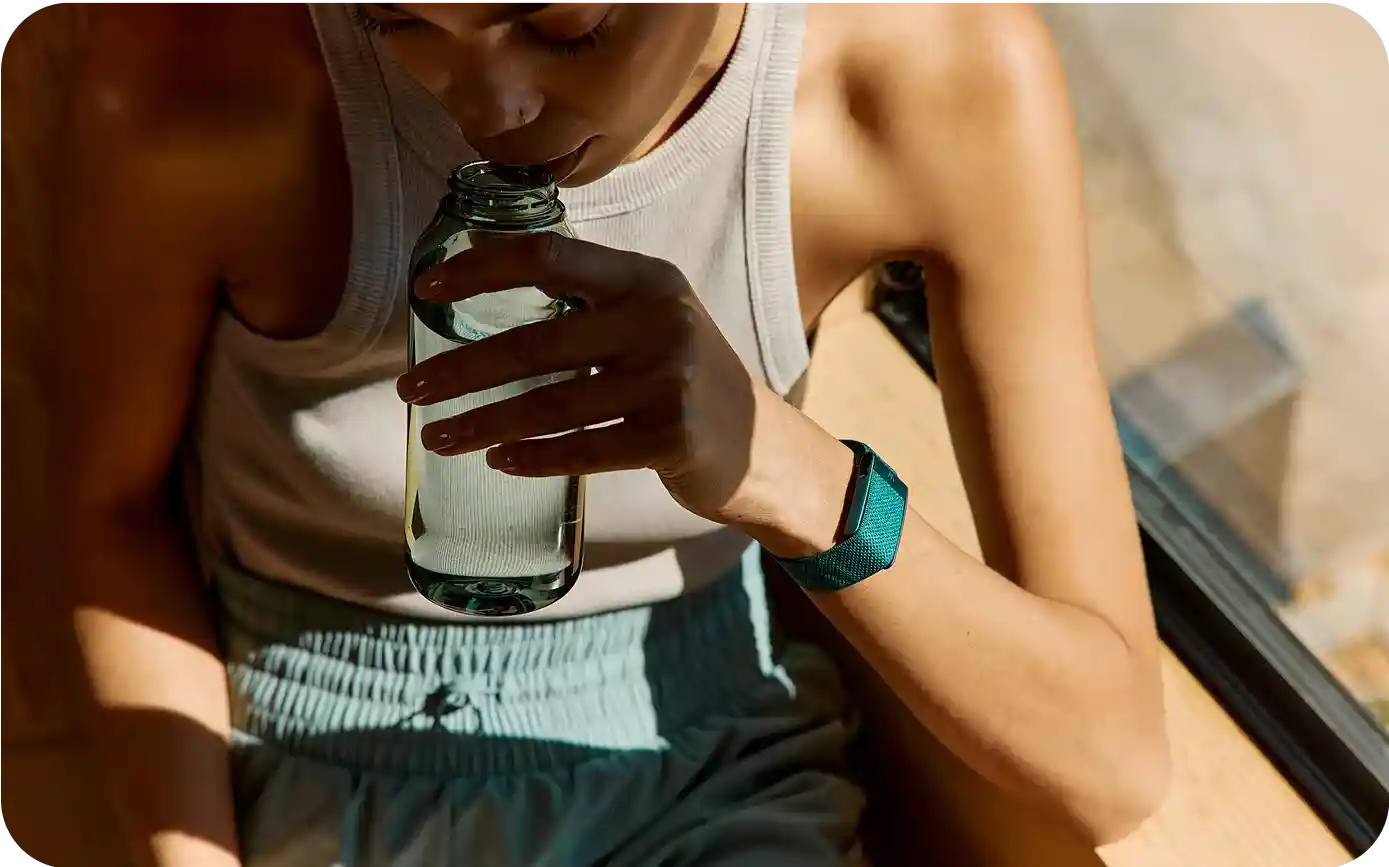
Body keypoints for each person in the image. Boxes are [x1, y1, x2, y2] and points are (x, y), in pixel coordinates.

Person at [52, 2, 1171, 865]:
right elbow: (105, 512)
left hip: (712, 767)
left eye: (565, 28)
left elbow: (1107, 764)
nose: (488, 105)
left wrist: (787, 472)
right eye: (399, 21)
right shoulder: (205, 67)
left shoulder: (936, 76)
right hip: (298, 752)